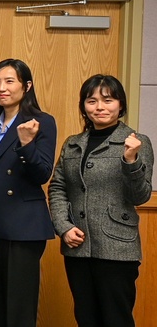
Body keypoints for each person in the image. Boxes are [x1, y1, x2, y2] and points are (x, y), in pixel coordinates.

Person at [48, 74, 153, 326]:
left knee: (116, 318)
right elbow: (57, 187)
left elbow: (140, 196)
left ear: (121, 105)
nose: (100, 107)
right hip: (78, 246)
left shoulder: (137, 141)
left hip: (117, 248)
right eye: (91, 101)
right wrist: (63, 227)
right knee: (86, 318)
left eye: (108, 100)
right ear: (84, 106)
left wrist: (130, 160)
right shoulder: (73, 144)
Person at [0, 58, 56, 327]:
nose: (1, 88)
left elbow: (42, 174)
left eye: (9, 81)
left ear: (26, 86)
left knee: (18, 308)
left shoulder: (41, 122)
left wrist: (27, 144)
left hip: (23, 228)